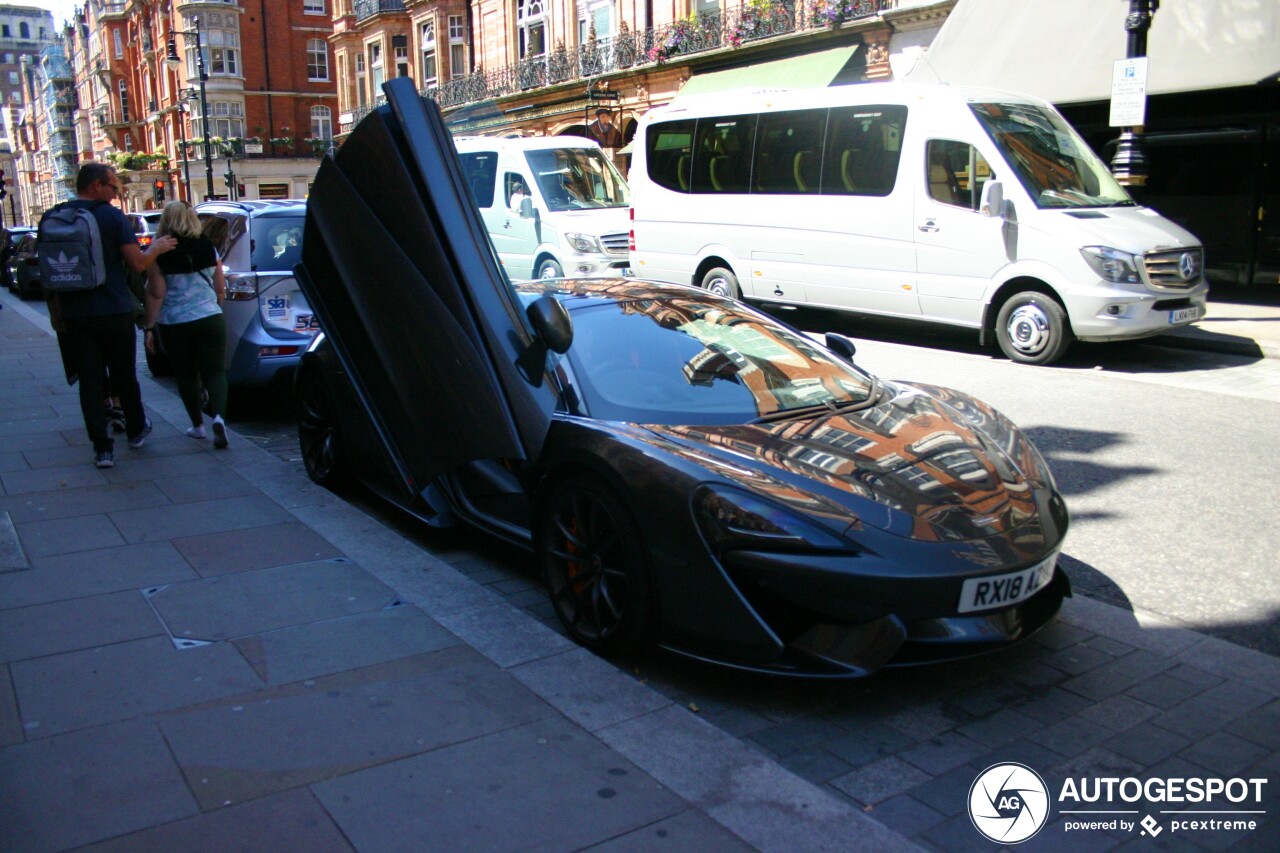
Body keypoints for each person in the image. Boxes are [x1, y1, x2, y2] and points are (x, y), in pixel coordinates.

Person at [44, 162, 176, 469]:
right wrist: (156, 246)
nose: (116, 194)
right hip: (114, 309)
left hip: (75, 314)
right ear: (96, 186)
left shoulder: (53, 218)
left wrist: (56, 316)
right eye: (113, 187)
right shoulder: (110, 216)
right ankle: (135, 431)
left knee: (90, 382)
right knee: (124, 375)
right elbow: (139, 264)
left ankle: (102, 449)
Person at [143, 200, 230, 449]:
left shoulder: (160, 253)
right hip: (210, 317)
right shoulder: (207, 246)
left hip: (176, 322)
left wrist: (149, 327)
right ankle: (220, 419)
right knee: (215, 372)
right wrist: (215, 309)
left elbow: (157, 293)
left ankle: (198, 426)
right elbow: (220, 287)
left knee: (186, 374)